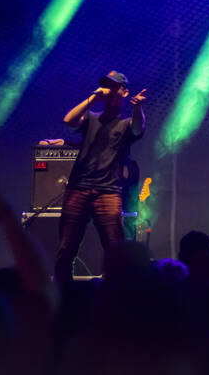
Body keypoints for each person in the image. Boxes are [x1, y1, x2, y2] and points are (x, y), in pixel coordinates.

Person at [55, 70, 146, 284]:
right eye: (107, 85)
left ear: (124, 92)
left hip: (108, 191)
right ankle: (63, 295)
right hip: (78, 188)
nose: (109, 90)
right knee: (66, 248)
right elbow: (68, 120)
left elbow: (138, 128)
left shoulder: (125, 124)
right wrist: (94, 97)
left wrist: (138, 107)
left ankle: (117, 294)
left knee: (115, 247)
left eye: (114, 86)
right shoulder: (91, 118)